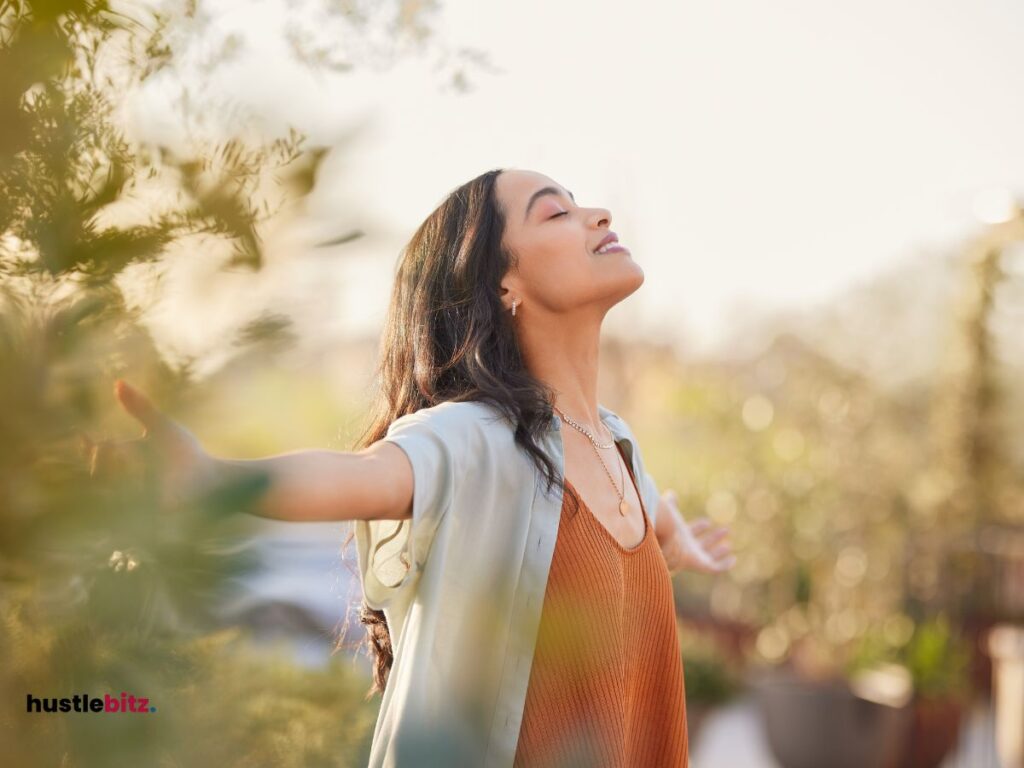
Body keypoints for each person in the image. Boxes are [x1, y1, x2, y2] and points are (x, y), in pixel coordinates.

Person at [101, 168, 735, 767]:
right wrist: (213, 480)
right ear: (503, 285)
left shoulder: (616, 445)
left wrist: (669, 534)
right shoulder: (476, 438)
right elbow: (364, 477)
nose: (599, 215)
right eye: (558, 212)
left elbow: (637, 515)